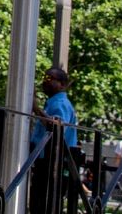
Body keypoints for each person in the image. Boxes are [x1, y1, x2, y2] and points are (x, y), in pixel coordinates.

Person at [28, 67, 78, 214]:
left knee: (44, 204)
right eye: (44, 78)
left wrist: (36, 109)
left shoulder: (60, 103)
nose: (45, 81)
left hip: (53, 162)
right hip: (46, 161)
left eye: (50, 79)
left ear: (62, 84)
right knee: (38, 203)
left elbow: (56, 126)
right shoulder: (52, 103)